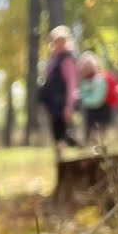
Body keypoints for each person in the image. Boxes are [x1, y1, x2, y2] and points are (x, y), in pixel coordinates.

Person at [37, 25, 79, 153]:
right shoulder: (53, 61)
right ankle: (59, 158)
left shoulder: (67, 60)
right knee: (57, 135)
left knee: (65, 134)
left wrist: (69, 107)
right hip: (53, 105)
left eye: (61, 41)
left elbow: (72, 84)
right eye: (56, 41)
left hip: (63, 104)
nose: (58, 44)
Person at [77, 51, 114, 144]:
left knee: (102, 130)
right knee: (90, 129)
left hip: (102, 107)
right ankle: (89, 145)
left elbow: (98, 98)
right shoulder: (84, 81)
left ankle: (101, 147)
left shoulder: (99, 80)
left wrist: (84, 100)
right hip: (90, 110)